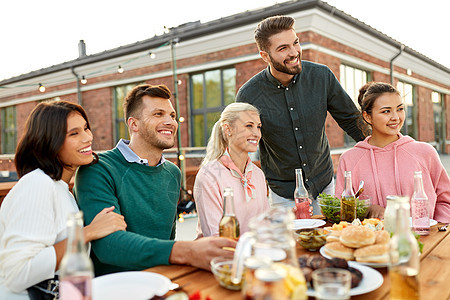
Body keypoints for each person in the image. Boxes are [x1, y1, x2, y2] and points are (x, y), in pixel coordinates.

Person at [74, 84, 236, 276]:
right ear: (133, 124)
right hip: (115, 288)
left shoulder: (173, 173)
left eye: (172, 115)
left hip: (162, 281)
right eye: (158, 114)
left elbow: (167, 239)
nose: (170, 122)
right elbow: (109, 246)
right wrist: (186, 251)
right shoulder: (98, 168)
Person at [235, 15, 364, 214]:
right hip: (283, 194)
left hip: (325, 186)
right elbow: (241, 144)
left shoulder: (322, 76)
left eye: (295, 43)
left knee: (329, 241)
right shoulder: (249, 94)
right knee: (291, 245)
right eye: (283, 48)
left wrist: (386, 147)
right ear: (265, 56)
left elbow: (352, 120)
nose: (294, 52)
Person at [0, 101, 127, 299]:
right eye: (74, 133)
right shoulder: (37, 184)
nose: (87, 138)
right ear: (49, 142)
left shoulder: (62, 190)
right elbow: (18, 273)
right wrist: (89, 232)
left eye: (86, 128)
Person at [335, 82, 450, 222]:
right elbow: (339, 210)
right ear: (367, 117)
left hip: (422, 240)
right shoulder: (349, 159)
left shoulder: (425, 153)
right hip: (372, 241)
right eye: (386, 111)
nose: (396, 117)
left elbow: (446, 201)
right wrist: (367, 209)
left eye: (400, 109)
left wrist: (435, 233)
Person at [194, 103, 269, 237]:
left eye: (258, 127)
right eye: (249, 126)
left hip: (257, 253)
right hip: (223, 255)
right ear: (228, 129)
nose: (257, 134)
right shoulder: (208, 176)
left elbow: (264, 224)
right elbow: (214, 236)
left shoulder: (258, 174)